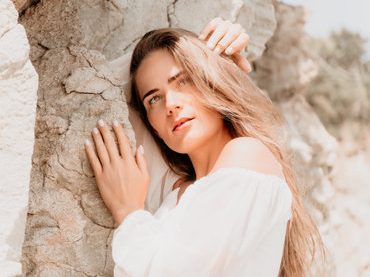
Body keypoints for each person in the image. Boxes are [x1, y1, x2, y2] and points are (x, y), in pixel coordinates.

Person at [84, 18, 325, 276]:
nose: (171, 104)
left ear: (212, 83)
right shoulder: (175, 191)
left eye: (183, 81)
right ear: (153, 127)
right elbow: (110, 81)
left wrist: (128, 211)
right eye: (154, 98)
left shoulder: (247, 155)